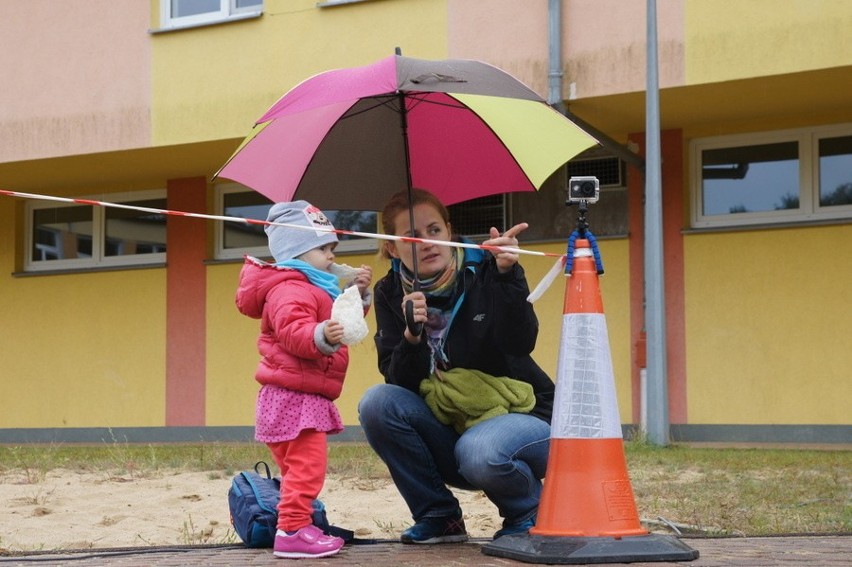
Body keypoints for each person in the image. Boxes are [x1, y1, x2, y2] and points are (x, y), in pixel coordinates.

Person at [358, 188, 555, 544]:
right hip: (453, 424)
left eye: (434, 230)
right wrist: (412, 337)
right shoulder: (389, 292)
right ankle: (439, 516)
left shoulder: (486, 269)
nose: (427, 243)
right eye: (412, 236)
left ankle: (528, 512)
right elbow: (399, 381)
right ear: (391, 247)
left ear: (448, 230)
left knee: (479, 449)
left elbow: (520, 343)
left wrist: (507, 275)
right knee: (377, 402)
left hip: (526, 419)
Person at [236, 201, 373, 559]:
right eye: (323, 248)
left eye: (332, 248)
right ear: (296, 251)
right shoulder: (290, 288)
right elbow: (293, 331)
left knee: (298, 469)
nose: (331, 256)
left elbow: (342, 321)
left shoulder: (312, 286)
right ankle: (293, 531)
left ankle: (298, 523)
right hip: (293, 395)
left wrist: (358, 295)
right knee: (308, 467)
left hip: (294, 394)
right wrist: (320, 333)